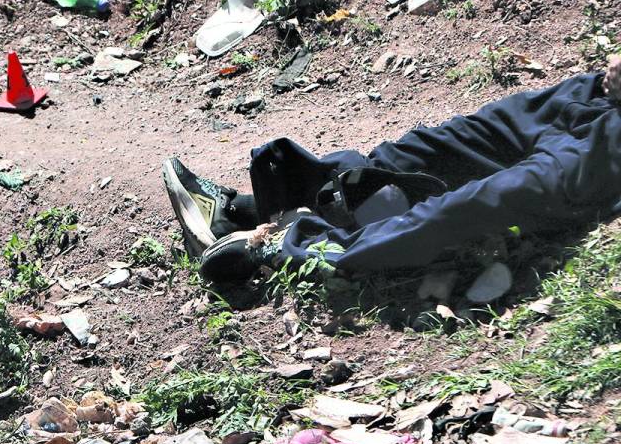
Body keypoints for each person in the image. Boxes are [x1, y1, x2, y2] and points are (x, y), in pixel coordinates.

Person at [164, 62, 621, 284]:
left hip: (611, 146)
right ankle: (243, 215)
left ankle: (296, 247)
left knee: (480, 202)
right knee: (414, 156)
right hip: (596, 96)